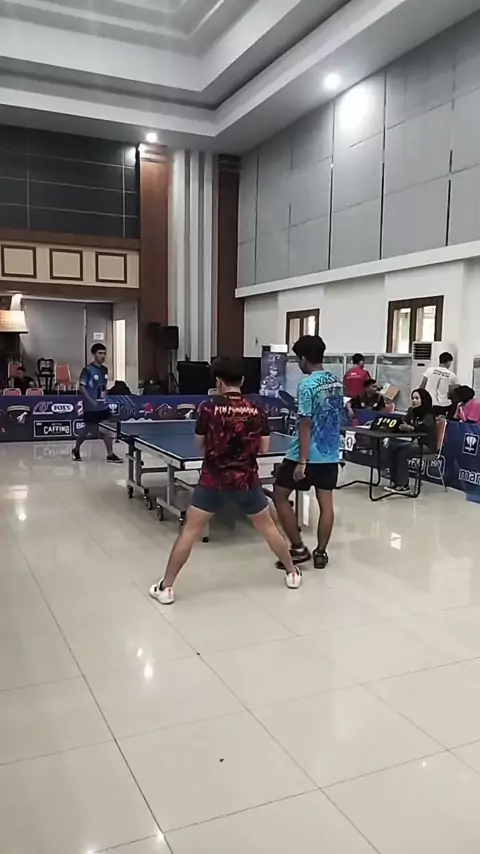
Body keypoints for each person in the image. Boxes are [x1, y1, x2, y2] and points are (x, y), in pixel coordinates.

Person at [149, 357, 301, 605]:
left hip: (212, 481)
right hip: (247, 481)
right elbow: (264, 448)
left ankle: (166, 587)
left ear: (218, 382)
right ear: (242, 380)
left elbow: (199, 444)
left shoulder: (208, 409)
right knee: (268, 528)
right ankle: (292, 573)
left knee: (190, 532)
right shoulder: (257, 409)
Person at [273, 335, 343, 570]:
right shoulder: (336, 382)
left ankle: (298, 548)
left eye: (297, 359)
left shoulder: (307, 385)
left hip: (304, 455)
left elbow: (305, 423)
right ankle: (321, 553)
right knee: (326, 505)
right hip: (330, 454)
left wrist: (302, 461)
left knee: (280, 496)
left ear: (304, 358)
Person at [72, 343, 122, 463]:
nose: (103, 356)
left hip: (103, 406)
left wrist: (105, 397)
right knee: (86, 431)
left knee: (107, 430)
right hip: (91, 407)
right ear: (94, 354)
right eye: (100, 353)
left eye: (104, 353)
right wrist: (91, 401)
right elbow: (82, 388)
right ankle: (76, 449)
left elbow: (102, 386)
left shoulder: (105, 369)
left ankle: (110, 454)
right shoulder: (88, 370)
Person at [385, 388, 437, 494]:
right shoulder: (411, 411)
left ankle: (404, 485)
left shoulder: (429, 414)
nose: (414, 401)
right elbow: (404, 422)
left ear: (424, 399)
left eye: (417, 398)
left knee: (402, 452)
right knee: (393, 448)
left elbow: (423, 429)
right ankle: (394, 481)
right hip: (415, 443)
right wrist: (400, 426)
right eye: (412, 398)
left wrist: (411, 428)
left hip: (427, 445)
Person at [420, 351, 458, 418]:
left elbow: (422, 386)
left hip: (428, 403)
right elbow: (454, 391)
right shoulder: (452, 375)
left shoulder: (429, 370)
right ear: (449, 362)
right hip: (443, 405)